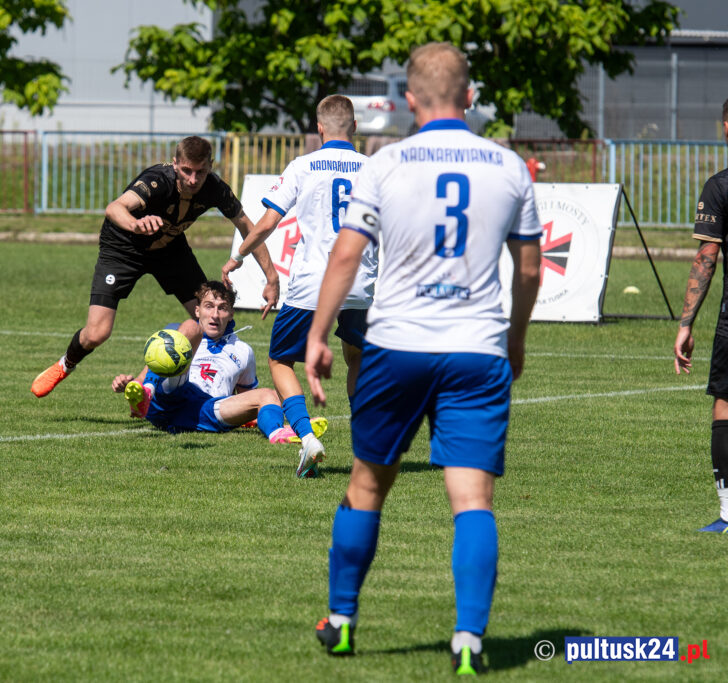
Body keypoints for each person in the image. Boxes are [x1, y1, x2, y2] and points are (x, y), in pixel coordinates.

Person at [304, 43, 541, 673]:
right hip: (476, 349)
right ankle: (468, 640)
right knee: (472, 499)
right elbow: (529, 269)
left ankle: (342, 621)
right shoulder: (509, 167)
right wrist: (515, 338)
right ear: (470, 97)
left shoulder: (384, 163)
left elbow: (347, 254)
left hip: (397, 346)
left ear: (410, 100)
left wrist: (319, 332)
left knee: (366, 485)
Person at [31, 136, 280, 399]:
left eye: (201, 172)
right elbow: (114, 208)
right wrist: (136, 224)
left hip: (169, 249)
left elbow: (248, 228)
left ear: (210, 166)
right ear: (175, 164)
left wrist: (272, 277)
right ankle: (65, 364)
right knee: (97, 333)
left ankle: (234, 397)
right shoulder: (157, 180)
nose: (193, 179)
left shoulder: (215, 188)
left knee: (214, 318)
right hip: (123, 249)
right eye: (187, 171)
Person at [222, 95, 376, 478]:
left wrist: (238, 256)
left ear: (319, 128)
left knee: (280, 360)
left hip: (314, 284)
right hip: (359, 281)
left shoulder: (303, 166)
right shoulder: (375, 169)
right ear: (355, 127)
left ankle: (306, 437)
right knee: (356, 358)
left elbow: (267, 223)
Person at [112, 281, 326, 449]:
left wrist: (268, 416)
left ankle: (278, 433)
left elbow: (247, 398)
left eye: (222, 308)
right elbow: (149, 371)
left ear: (231, 314)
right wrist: (133, 385)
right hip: (171, 394)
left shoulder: (243, 351)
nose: (215, 315)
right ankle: (147, 394)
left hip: (206, 410)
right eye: (209, 307)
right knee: (189, 329)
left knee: (268, 394)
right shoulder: (181, 332)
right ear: (198, 310)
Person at [673, 97, 728, 534]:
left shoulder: (720, 186)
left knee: (726, 404)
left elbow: (706, 256)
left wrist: (686, 324)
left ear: (725, 127)